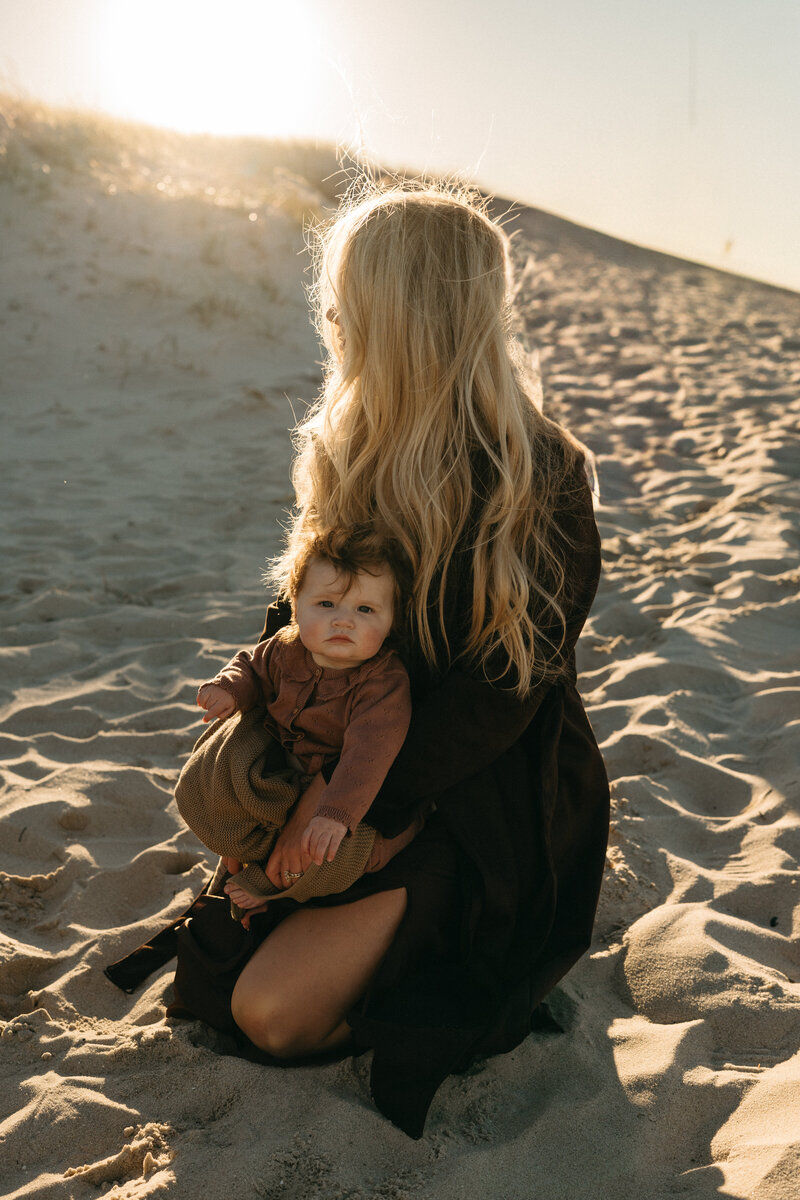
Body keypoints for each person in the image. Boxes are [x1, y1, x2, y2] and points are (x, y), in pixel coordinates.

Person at [172, 182, 610, 1138]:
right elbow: (303, 610)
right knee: (217, 960)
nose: (330, 319)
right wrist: (267, 728)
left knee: (271, 1016)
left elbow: (502, 700)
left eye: (347, 299)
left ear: (406, 316)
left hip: (473, 799)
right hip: (341, 760)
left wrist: (345, 807)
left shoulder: (545, 476)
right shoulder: (351, 446)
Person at [179, 538, 419, 917]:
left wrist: (333, 814)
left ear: (391, 621)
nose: (344, 620)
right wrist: (229, 687)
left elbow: (367, 757)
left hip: (341, 790)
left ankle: (275, 890)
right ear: (296, 606)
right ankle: (243, 844)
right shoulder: (286, 647)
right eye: (326, 604)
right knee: (213, 767)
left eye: (366, 609)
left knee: (335, 852)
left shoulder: (383, 682)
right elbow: (252, 667)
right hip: (282, 768)